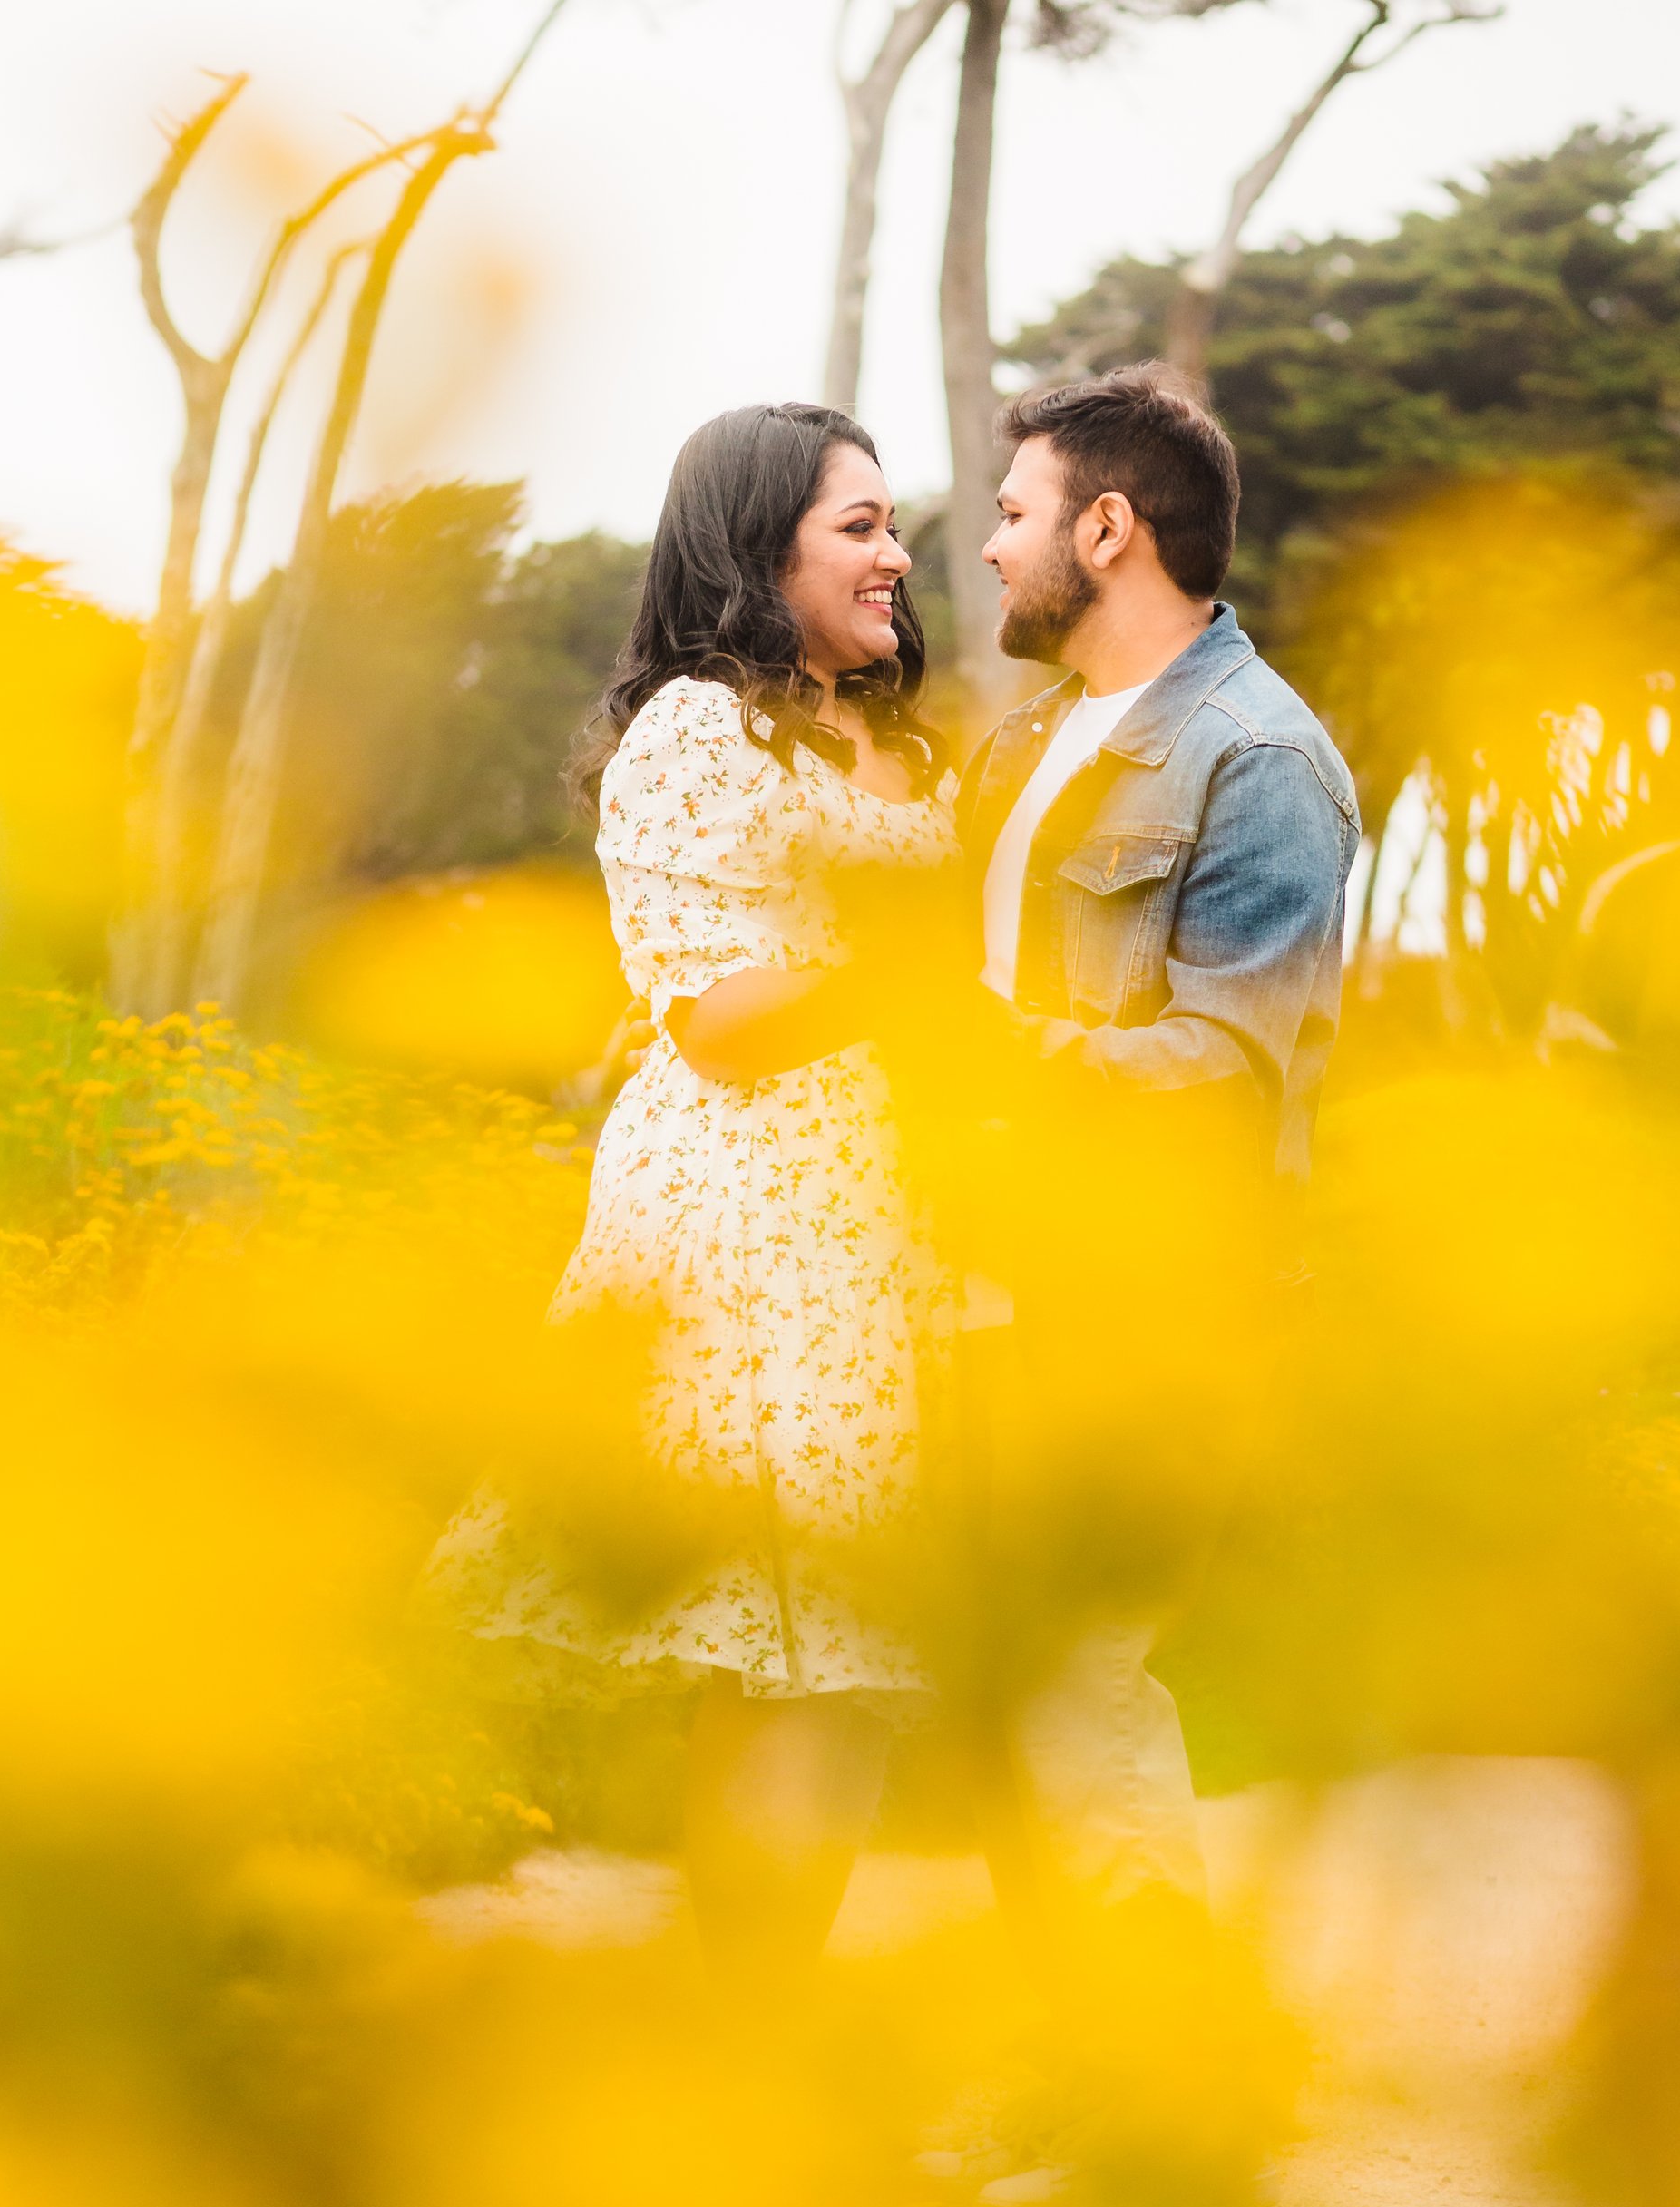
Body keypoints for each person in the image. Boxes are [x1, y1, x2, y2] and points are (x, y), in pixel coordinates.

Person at [436, 403, 954, 1991]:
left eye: (892, 525)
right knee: (786, 1660)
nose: (897, 553)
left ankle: (766, 2034)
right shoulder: (694, 734)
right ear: (757, 544)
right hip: (764, 1215)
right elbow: (720, 1020)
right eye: (857, 527)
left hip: (896, 1214)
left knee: (859, 1664)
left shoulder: (902, 739)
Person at [961, 365, 1361, 1907]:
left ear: (1109, 527)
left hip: (1136, 1302)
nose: (994, 546)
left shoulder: (1257, 759)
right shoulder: (1028, 746)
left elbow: (1225, 1064)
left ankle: (1150, 2099)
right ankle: (1074, 2062)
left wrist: (992, 1062)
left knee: (1081, 1683)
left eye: (1016, 513)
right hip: (988, 1277)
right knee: (1005, 1695)